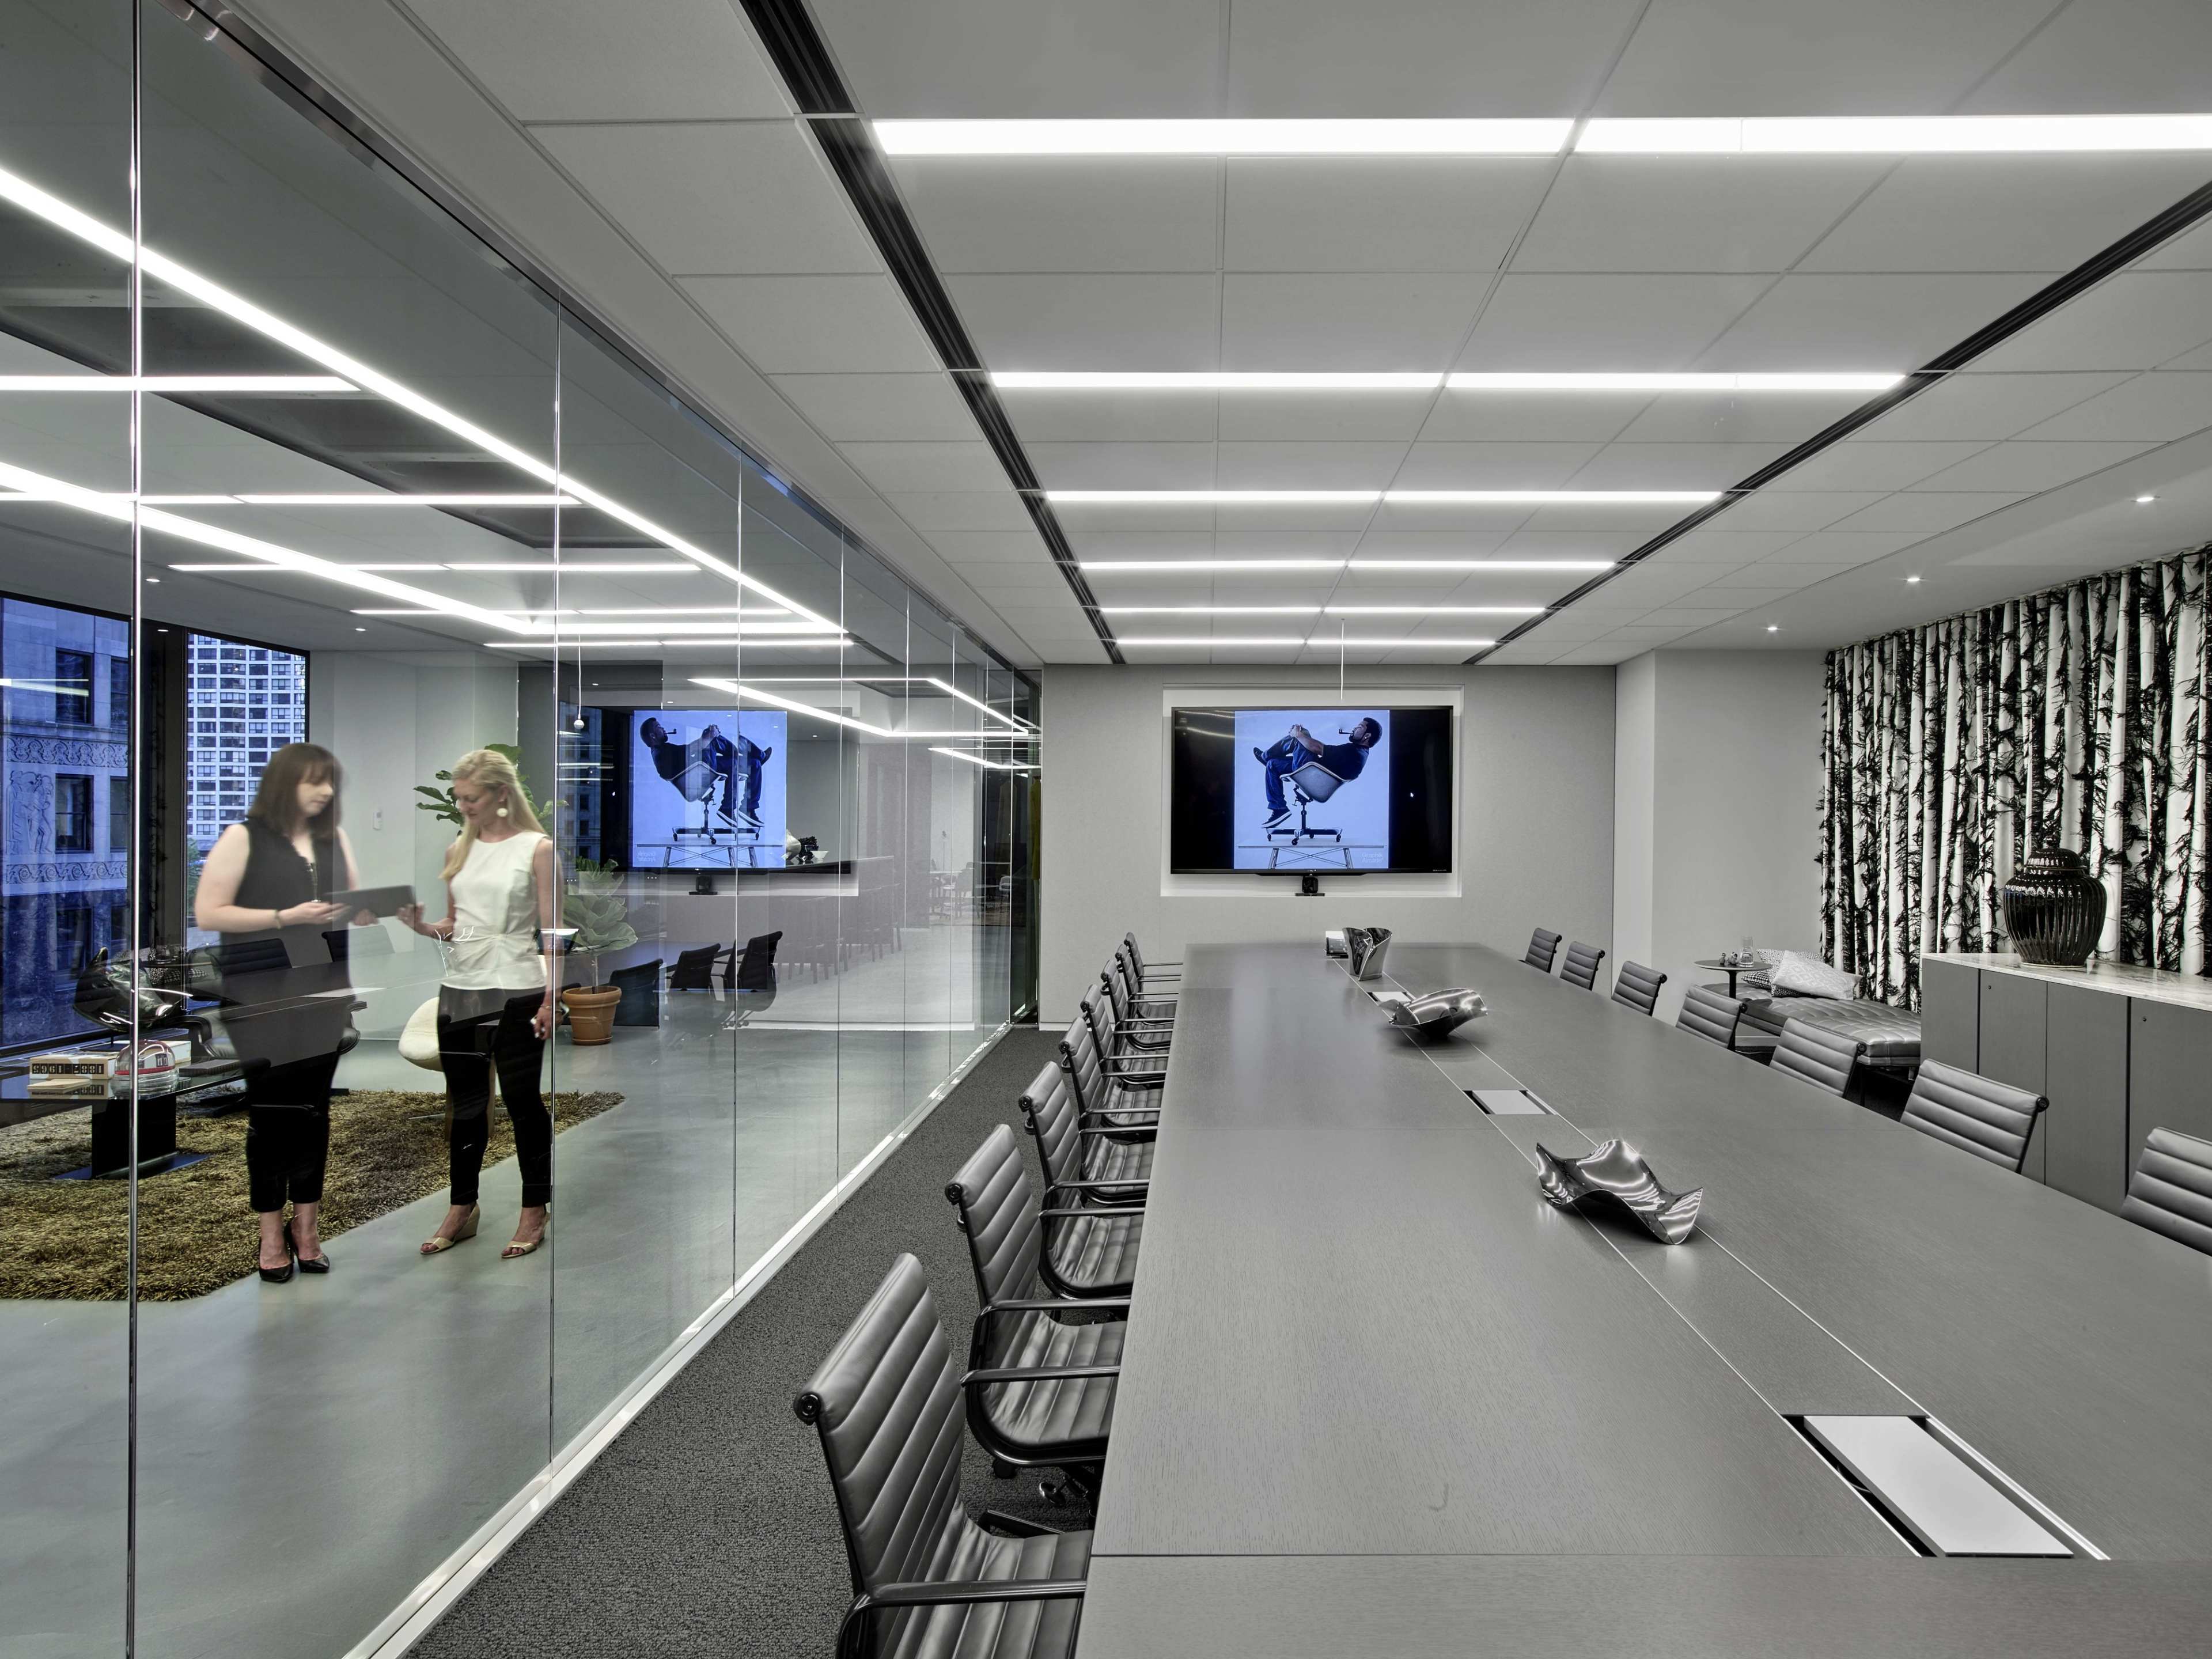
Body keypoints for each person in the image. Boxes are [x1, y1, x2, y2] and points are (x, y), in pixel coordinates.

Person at [194, 743, 376, 1283]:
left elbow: (353, 899)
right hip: (259, 995)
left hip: (322, 989)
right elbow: (208, 911)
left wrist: (362, 909)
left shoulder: (334, 838)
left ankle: (308, 1229)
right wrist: (283, 915)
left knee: (313, 1112)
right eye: (313, 782)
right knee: (271, 1116)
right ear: (284, 784)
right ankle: (270, 1234)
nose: (323, 792)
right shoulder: (242, 837)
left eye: (329, 783)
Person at [398, 748, 559, 1261]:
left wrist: (553, 997)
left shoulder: (538, 848)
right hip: (462, 990)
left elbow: (552, 931)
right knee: (466, 1107)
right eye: (459, 799)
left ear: (501, 795)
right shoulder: (458, 849)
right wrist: (426, 928)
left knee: (521, 1102)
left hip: (518, 986)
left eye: (472, 798)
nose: (464, 806)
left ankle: (535, 1208)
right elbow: (459, 924)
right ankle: (462, 1208)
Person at [1253, 717, 1381, 830]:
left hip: (1312, 776)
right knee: (1273, 765)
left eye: (1359, 727)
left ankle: (1265, 756)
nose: (1354, 728)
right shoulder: (1359, 753)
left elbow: (1319, 749)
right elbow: (1323, 754)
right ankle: (1279, 809)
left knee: (1302, 733)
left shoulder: (1355, 753)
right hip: (1313, 773)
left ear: (1367, 736)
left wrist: (1298, 735)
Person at [700, 723, 771, 829]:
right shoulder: (706, 739)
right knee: (736, 759)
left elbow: (732, 751)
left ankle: (749, 808)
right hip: (709, 763)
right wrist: (712, 735)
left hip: (720, 760)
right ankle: (761, 756)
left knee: (756, 764)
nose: (665, 731)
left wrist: (721, 735)